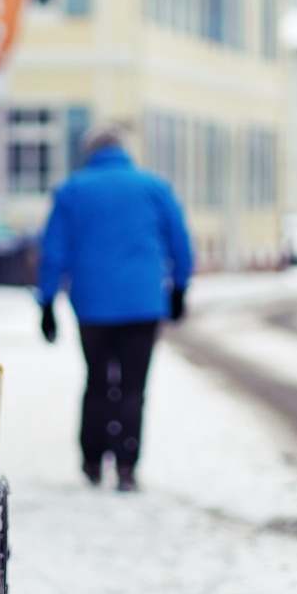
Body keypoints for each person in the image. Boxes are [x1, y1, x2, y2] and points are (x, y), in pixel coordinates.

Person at [37, 124, 193, 491]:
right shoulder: (154, 186)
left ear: (90, 152)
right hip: (142, 304)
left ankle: (92, 461)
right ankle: (126, 466)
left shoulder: (73, 189)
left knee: (96, 382)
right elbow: (180, 241)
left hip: (92, 306)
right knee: (133, 387)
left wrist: (46, 302)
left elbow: (53, 251)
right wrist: (179, 288)